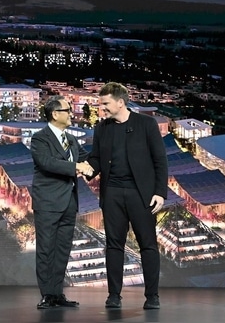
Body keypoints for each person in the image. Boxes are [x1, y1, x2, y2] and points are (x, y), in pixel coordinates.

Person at [86, 82, 168, 310]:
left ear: (120, 102)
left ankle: (152, 296)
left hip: (141, 195)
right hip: (112, 194)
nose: (101, 108)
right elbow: (96, 159)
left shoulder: (146, 124)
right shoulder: (102, 127)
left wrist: (160, 192)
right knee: (114, 245)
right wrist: (86, 169)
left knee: (148, 246)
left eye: (105, 103)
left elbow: (160, 161)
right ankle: (114, 295)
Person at [30, 95, 93, 309]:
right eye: (67, 110)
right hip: (48, 203)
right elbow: (47, 163)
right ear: (55, 114)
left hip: (69, 203)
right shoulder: (40, 138)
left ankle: (57, 294)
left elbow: (88, 160)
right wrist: (78, 167)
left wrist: (108, 157)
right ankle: (47, 294)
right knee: (46, 249)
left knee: (62, 249)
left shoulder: (72, 139)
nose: (71, 114)